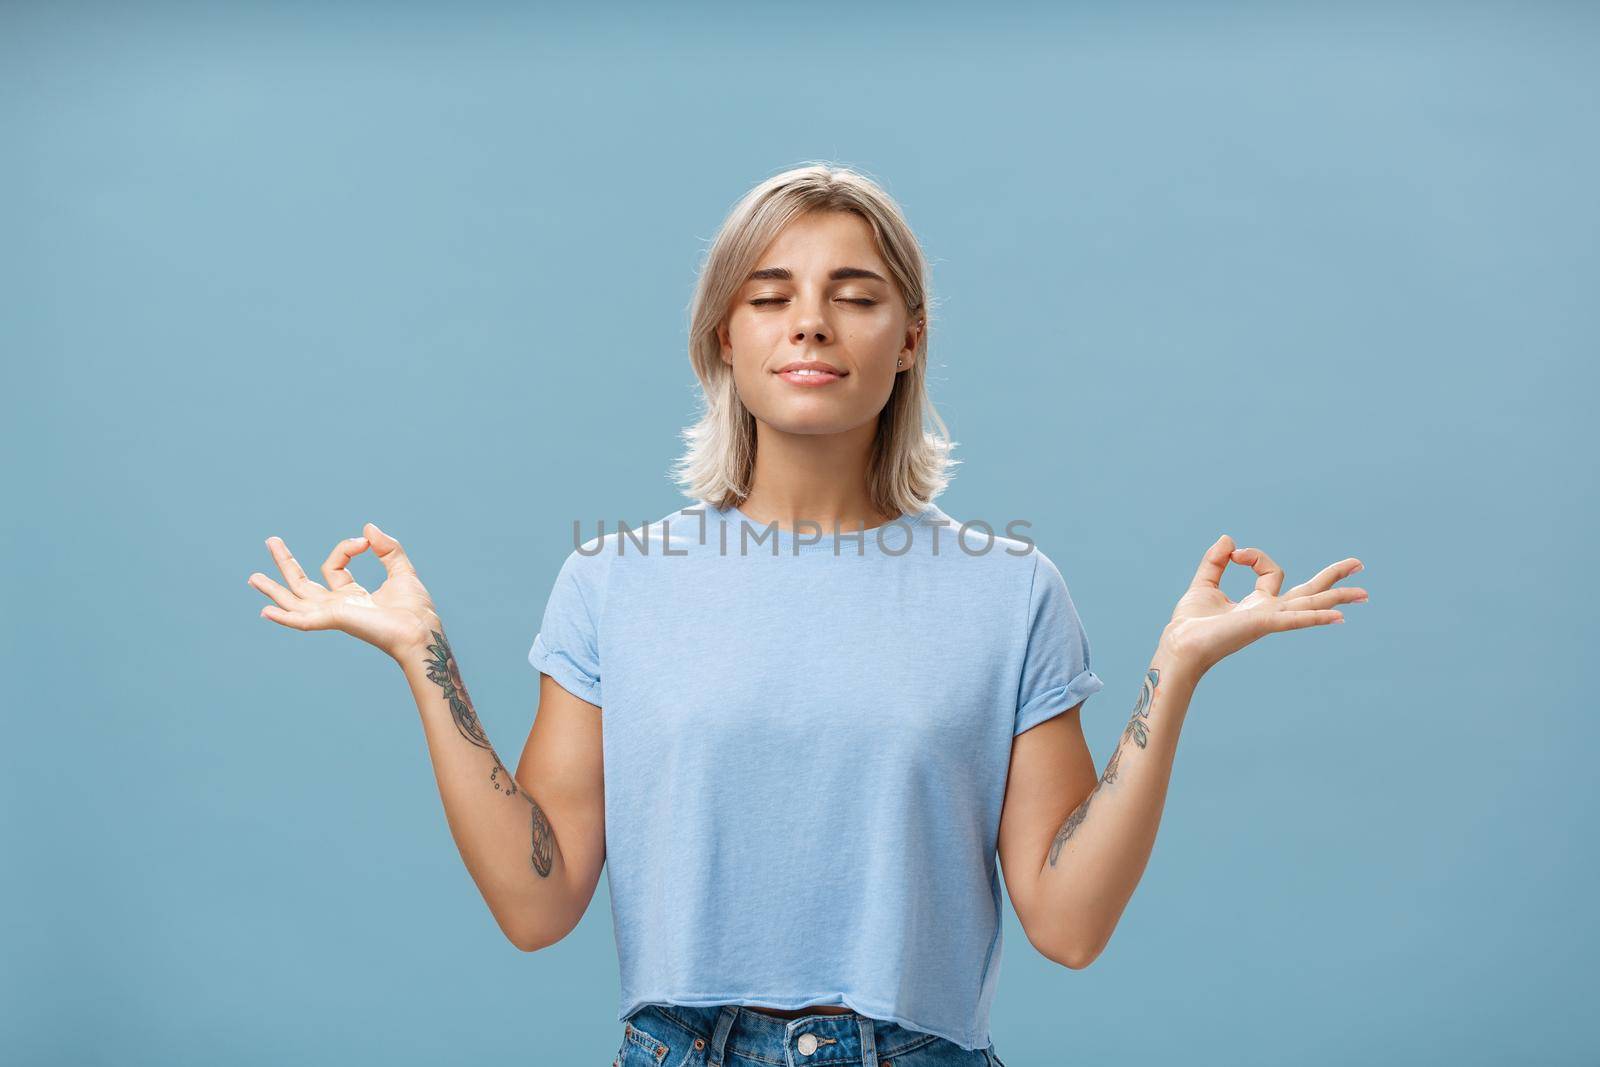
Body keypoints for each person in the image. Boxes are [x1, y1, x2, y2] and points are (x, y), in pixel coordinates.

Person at [247, 163, 1368, 1067]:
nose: (812, 324)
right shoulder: (611, 581)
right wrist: (422, 658)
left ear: (910, 335)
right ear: (720, 339)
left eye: (857, 294)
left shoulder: (1011, 588)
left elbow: (1067, 924)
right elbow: (539, 902)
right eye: (770, 295)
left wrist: (1173, 672)